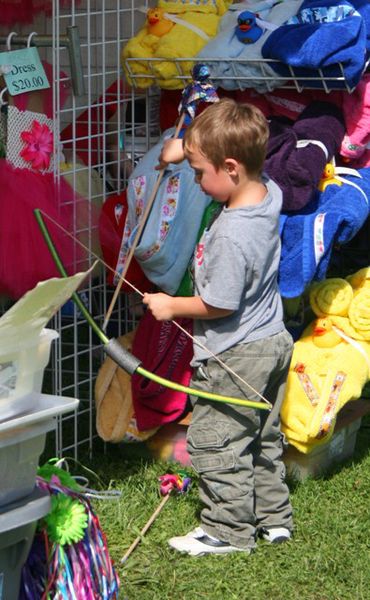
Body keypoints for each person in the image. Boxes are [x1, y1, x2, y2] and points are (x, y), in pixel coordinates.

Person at [143, 98, 294, 556]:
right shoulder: (267, 191)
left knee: (218, 440)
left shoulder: (231, 233)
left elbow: (219, 303)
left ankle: (227, 530)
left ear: (230, 168)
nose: (194, 180)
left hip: (237, 353)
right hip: (272, 340)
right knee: (263, 437)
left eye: (198, 171)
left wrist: (172, 306)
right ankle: (274, 519)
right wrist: (181, 150)